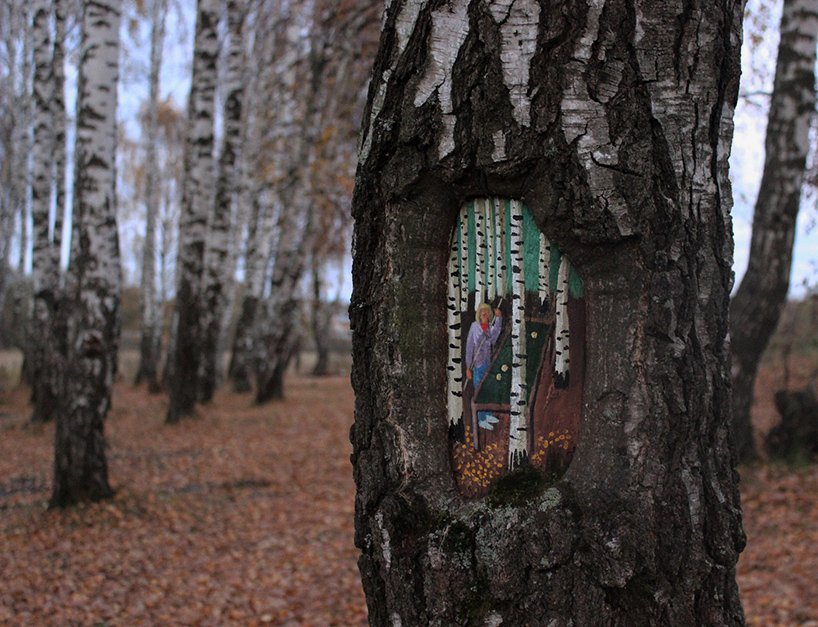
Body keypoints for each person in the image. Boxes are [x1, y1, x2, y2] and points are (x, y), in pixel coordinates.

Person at [466, 303, 503, 388]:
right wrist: (468, 367)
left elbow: (495, 336)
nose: (484, 313)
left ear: (489, 314)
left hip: (488, 362)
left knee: (487, 387)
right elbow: (469, 347)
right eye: (482, 311)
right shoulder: (474, 326)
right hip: (477, 364)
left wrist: (498, 318)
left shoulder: (490, 328)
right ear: (479, 313)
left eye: (486, 311)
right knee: (478, 387)